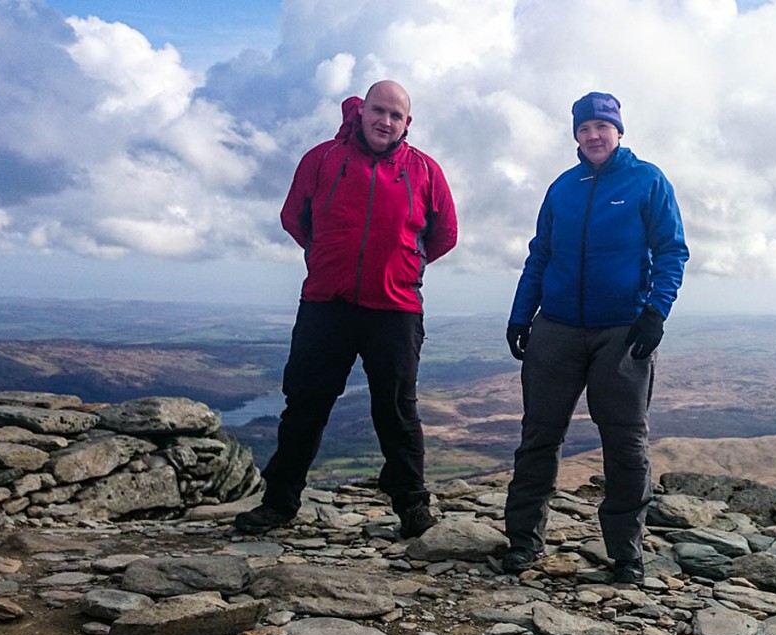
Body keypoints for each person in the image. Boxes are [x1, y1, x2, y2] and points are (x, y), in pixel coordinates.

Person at [234, 80, 458, 537]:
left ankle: (413, 506)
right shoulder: (322, 160)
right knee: (305, 407)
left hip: (395, 308)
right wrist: (327, 259)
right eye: (379, 110)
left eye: (396, 115)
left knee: (397, 411)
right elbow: (294, 217)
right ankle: (279, 503)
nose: (386, 121)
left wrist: (402, 266)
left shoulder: (425, 171)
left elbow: (445, 234)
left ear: (407, 124)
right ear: (360, 112)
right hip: (326, 304)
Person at [502, 92, 688, 584]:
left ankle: (627, 554)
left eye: (602, 126)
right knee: (539, 437)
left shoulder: (647, 180)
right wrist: (522, 315)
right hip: (557, 328)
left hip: (621, 331)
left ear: (619, 131)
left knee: (626, 443)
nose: (594, 135)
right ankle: (523, 542)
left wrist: (655, 313)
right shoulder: (563, 187)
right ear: (576, 137)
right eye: (585, 128)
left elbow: (672, 251)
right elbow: (540, 255)